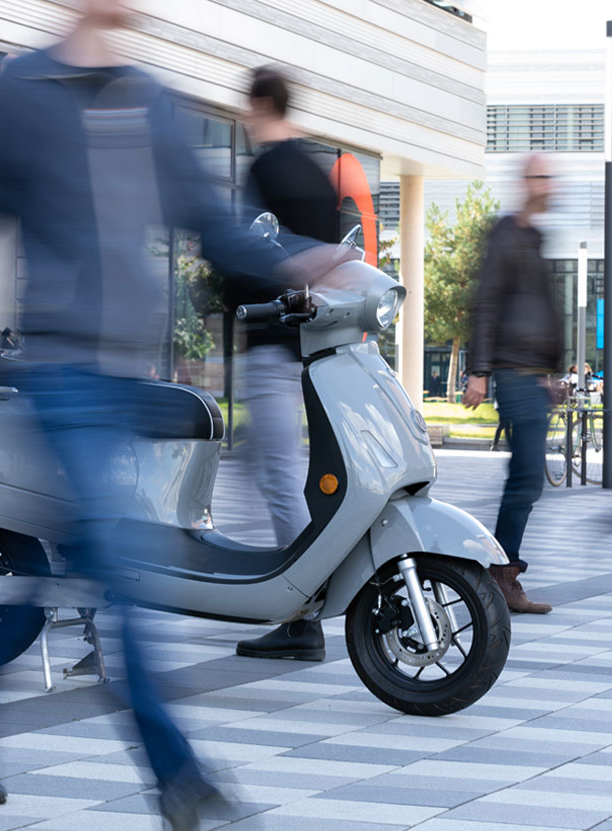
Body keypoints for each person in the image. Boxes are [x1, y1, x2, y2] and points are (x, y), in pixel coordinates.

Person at [0, 2, 336, 825]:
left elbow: (216, 231)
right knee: (119, 573)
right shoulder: (20, 92)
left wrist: (308, 260)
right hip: (63, 376)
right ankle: (178, 780)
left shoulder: (151, 100)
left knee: (67, 576)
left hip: (126, 381)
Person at [233, 66, 339, 663]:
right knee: (278, 466)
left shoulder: (266, 171)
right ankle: (291, 581)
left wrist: (221, 298)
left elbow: (250, 255)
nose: (244, 120)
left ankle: (304, 614)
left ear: (259, 105)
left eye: (247, 109)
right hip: (314, 349)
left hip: (272, 341)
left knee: (276, 476)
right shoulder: (318, 176)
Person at [462, 154, 560, 614]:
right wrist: (479, 370)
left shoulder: (536, 237)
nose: (551, 184)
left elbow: (538, 308)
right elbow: (488, 302)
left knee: (527, 479)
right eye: (544, 176)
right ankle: (500, 575)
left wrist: (547, 371)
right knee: (525, 477)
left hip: (530, 374)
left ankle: (501, 572)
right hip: (510, 370)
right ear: (527, 182)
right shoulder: (505, 234)